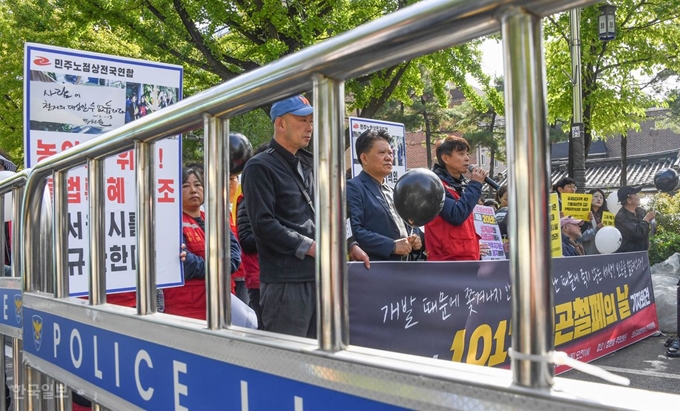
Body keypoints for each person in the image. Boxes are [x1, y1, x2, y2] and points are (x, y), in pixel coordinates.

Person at [241, 95, 367, 338]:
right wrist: (309, 246)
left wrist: (352, 244)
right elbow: (263, 225)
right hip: (286, 282)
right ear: (280, 124)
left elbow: (337, 210)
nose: (310, 127)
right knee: (286, 360)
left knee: (321, 358)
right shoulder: (259, 167)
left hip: (322, 276)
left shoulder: (313, 164)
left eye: (311, 120)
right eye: (302, 120)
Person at [165, 167, 248, 321]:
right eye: (185, 186)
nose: (193, 190)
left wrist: (214, 266)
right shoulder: (171, 222)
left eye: (197, 185)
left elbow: (235, 254)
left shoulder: (215, 219)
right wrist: (221, 267)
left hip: (223, 304)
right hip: (187, 310)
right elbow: (185, 264)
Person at [347, 129, 422, 261]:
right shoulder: (353, 188)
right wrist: (391, 246)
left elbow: (408, 226)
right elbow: (354, 231)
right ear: (364, 158)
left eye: (390, 153)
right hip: (374, 270)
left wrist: (415, 239)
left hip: (403, 270)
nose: (389, 157)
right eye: (382, 152)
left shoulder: (393, 192)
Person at [425, 136, 485, 261]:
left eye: (467, 154)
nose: (467, 158)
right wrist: (474, 185)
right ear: (445, 158)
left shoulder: (461, 185)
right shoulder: (435, 185)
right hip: (446, 263)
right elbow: (456, 215)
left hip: (468, 260)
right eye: (461, 153)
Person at [615, 186, 655, 253]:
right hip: (629, 255)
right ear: (629, 200)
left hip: (643, 253)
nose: (638, 197)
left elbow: (645, 231)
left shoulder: (641, 212)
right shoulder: (621, 217)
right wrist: (647, 219)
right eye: (635, 195)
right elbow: (636, 234)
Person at [579, 188, 608, 254]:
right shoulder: (584, 214)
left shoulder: (605, 215)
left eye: (601, 197)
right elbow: (582, 236)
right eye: (595, 196)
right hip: (589, 250)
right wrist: (596, 229)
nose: (599, 199)